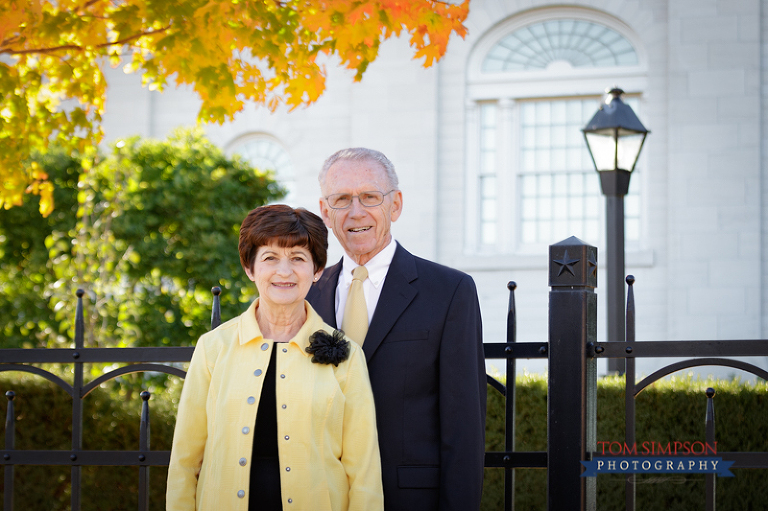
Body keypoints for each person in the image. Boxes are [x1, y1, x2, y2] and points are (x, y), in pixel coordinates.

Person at [167, 205, 383, 511]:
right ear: (250, 268)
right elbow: (185, 462)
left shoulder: (347, 355)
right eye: (270, 258)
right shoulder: (213, 348)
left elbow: (364, 471)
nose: (285, 271)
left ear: (317, 270)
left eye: (298, 258)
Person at [306, 148, 486, 511]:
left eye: (370, 197)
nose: (356, 212)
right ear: (326, 212)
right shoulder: (307, 293)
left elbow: (463, 425)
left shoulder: (448, 291)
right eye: (341, 199)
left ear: (396, 204)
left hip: (407, 498)